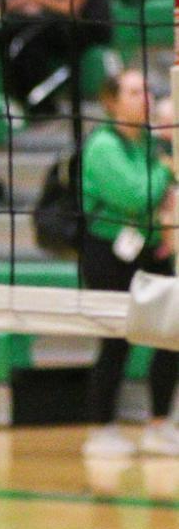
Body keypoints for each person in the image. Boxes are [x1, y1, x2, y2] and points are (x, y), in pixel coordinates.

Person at [78, 67, 179, 460]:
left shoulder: (148, 144)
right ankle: (101, 429)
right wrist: (167, 167)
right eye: (135, 92)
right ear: (112, 101)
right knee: (116, 341)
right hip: (108, 254)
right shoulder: (104, 145)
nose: (146, 98)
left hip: (151, 250)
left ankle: (158, 424)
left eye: (148, 91)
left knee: (171, 335)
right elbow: (137, 196)